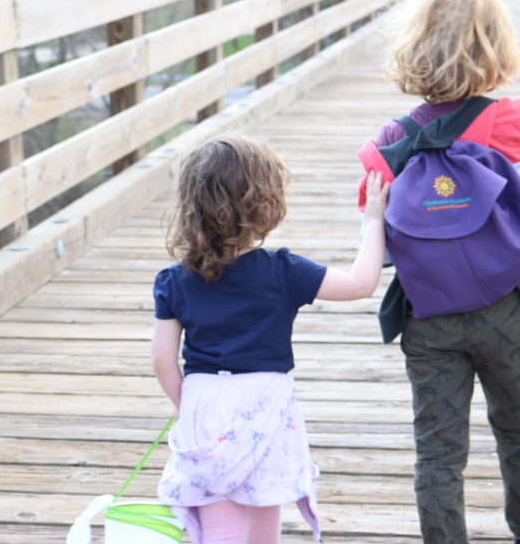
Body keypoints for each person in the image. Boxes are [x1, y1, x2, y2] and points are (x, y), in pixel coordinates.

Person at [360, 0, 520, 544]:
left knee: (437, 451)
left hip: (428, 314)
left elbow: (370, 215)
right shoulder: (512, 122)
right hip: (508, 309)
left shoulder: (392, 138)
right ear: (495, 45)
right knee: (519, 423)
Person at [151, 135, 390, 544]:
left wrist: (185, 405)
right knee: (263, 509)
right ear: (264, 203)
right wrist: (375, 218)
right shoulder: (282, 270)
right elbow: (361, 284)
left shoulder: (173, 280)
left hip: (204, 399)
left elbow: (162, 359)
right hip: (263, 402)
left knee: (219, 524)